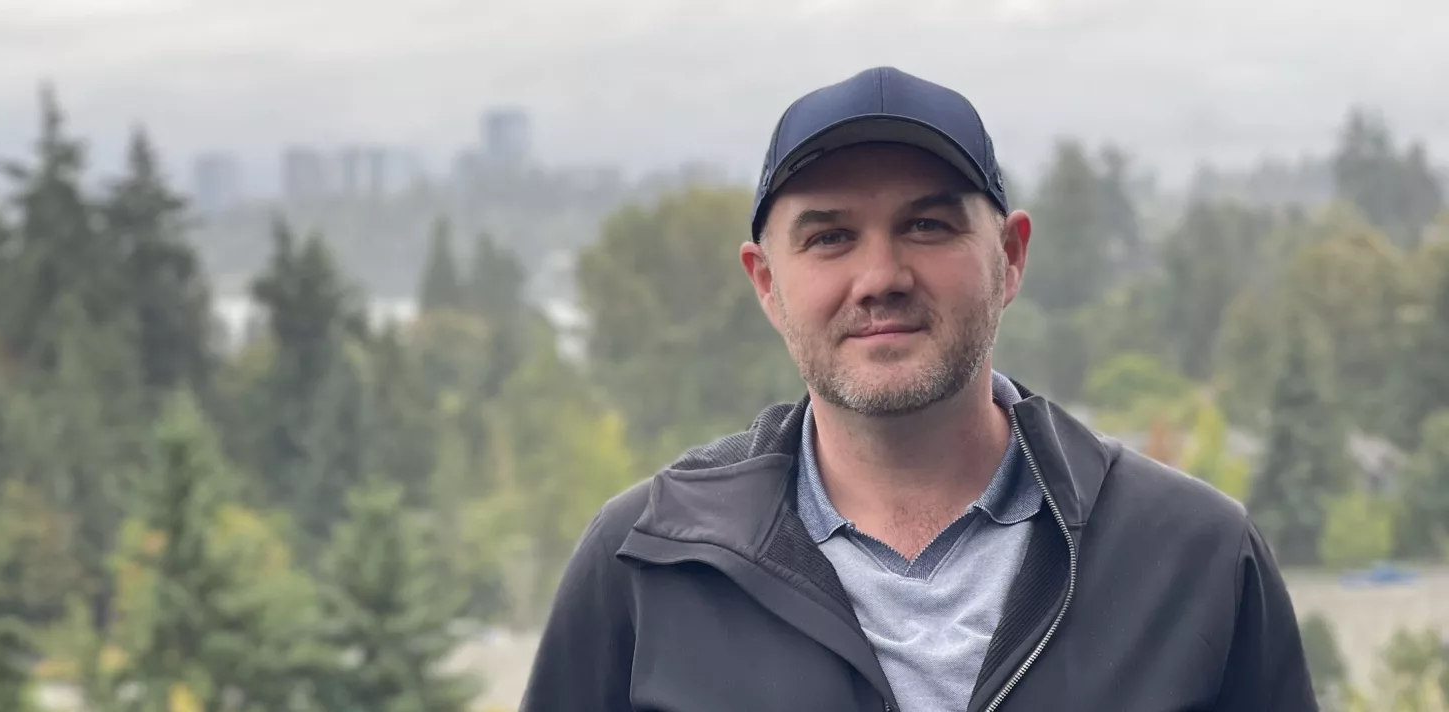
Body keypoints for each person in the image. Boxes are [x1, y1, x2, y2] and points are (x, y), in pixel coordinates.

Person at [518, 66, 1318, 712]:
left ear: (1010, 257)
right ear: (766, 283)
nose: (881, 277)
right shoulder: (649, 563)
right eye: (830, 236)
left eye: (928, 227)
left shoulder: (1196, 557)